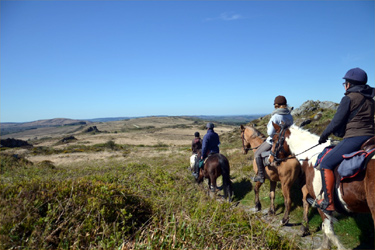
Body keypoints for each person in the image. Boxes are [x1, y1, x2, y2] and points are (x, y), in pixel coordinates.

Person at [314, 67, 374, 213]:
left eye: (345, 83)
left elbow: (336, 121)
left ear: (349, 84)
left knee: (326, 163)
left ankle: (328, 202)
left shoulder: (348, 98)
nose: (345, 86)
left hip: (355, 138)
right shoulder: (370, 100)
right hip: (371, 137)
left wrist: (323, 135)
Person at [251, 95, 294, 183]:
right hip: (287, 142)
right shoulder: (289, 115)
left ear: (277, 105)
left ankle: (261, 176)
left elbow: (270, 133)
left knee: (257, 154)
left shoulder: (276, 116)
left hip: (274, 141)